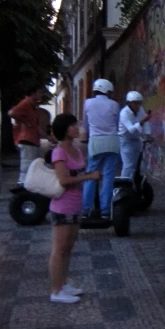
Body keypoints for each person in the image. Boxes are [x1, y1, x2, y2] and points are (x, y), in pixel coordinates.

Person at [48, 114, 101, 304]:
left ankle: (63, 284)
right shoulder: (59, 152)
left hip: (76, 204)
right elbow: (64, 180)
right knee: (59, 249)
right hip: (62, 205)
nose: (76, 128)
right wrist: (89, 177)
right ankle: (55, 290)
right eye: (72, 125)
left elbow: (78, 172)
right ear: (64, 129)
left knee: (68, 248)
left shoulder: (77, 150)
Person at [81, 79, 120, 219]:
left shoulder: (88, 103)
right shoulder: (114, 104)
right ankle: (105, 210)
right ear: (108, 90)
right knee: (108, 176)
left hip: (95, 141)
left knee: (91, 175)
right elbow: (116, 123)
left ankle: (85, 209)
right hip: (112, 141)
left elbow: (85, 124)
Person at [9, 87, 47, 185]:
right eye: (40, 92)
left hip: (32, 140)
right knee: (26, 166)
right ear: (33, 93)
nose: (42, 95)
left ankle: (27, 186)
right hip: (27, 139)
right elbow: (12, 113)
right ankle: (22, 187)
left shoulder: (33, 106)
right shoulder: (26, 103)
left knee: (32, 165)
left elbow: (36, 126)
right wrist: (24, 121)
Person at [118, 91, 152, 178]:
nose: (137, 106)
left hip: (136, 139)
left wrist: (148, 134)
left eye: (139, 103)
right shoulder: (124, 113)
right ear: (129, 103)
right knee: (128, 165)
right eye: (135, 103)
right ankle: (123, 184)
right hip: (125, 140)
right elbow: (131, 129)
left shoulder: (140, 110)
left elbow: (146, 121)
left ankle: (132, 184)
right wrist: (142, 121)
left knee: (135, 165)